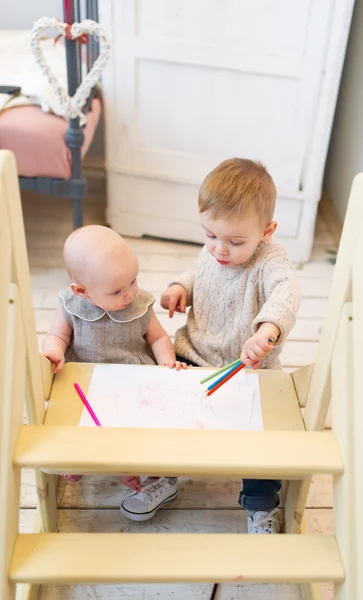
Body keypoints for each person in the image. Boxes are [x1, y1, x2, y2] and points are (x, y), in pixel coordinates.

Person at [161, 158, 300, 533]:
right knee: (166, 414)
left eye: (235, 241)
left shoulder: (271, 259)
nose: (219, 249)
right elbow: (200, 274)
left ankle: (260, 504)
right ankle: (161, 474)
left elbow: (284, 295)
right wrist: (181, 288)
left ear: (266, 231)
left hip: (247, 368)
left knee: (259, 440)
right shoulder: (213, 250)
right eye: (209, 235)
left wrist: (266, 333)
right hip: (193, 355)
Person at [43, 225, 183, 517]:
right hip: (86, 378)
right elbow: (58, 335)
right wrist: (54, 351)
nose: (130, 293)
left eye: (133, 281)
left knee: (134, 426)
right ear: (82, 291)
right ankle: (80, 461)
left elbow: (156, 337)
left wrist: (166, 361)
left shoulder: (140, 304)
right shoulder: (70, 305)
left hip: (130, 376)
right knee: (75, 422)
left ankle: (130, 467)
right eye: (118, 290)